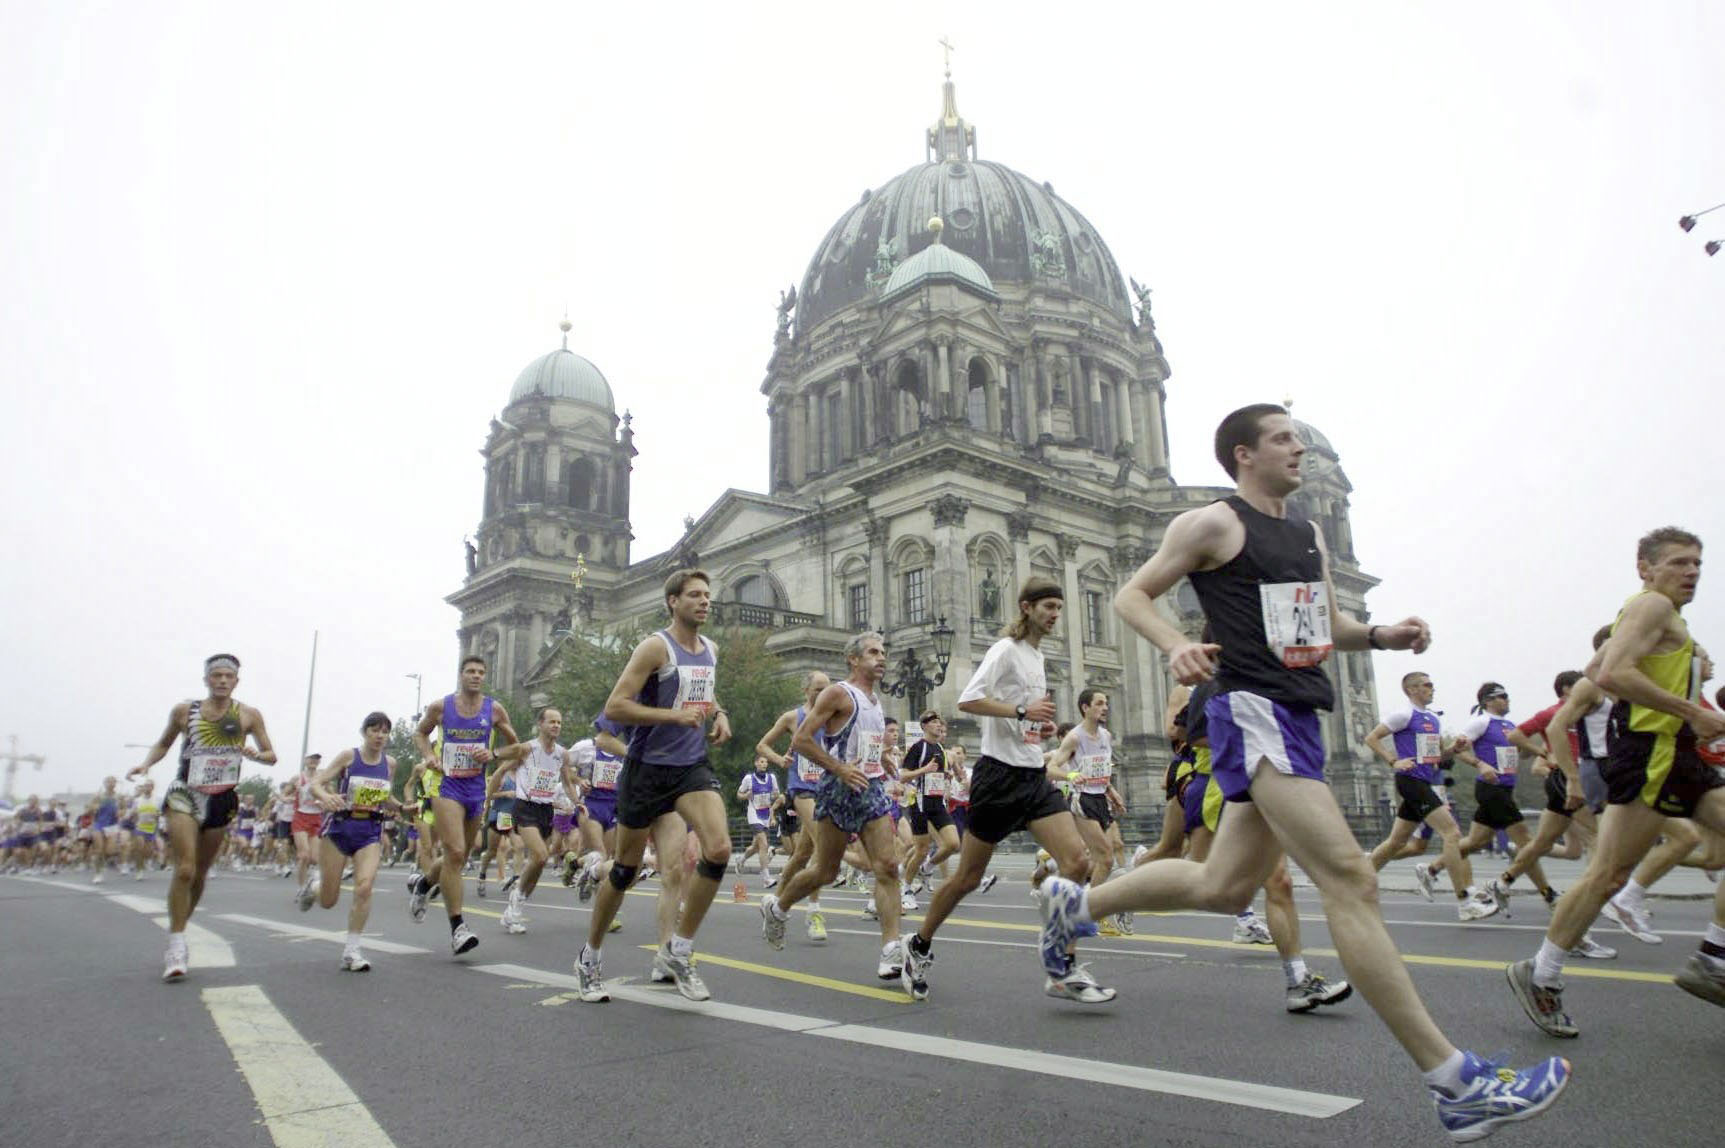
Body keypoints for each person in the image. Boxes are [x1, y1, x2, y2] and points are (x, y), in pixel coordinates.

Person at [1040, 404, 1568, 1139]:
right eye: (1284, 438)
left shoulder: (1305, 533)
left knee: (1222, 887)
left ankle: (1075, 908)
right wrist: (1175, 646)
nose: (1298, 448)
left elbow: (1319, 626)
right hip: (1251, 709)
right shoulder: (1212, 524)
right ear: (1243, 454)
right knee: (1349, 879)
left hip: (1295, 713)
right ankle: (1455, 1082)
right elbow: (1133, 593)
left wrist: (1380, 634)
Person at [1508, 527, 1725, 1035]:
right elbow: (1611, 676)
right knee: (1606, 875)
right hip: (1650, 754)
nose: (1691, 571)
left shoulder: (1665, 617)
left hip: (1677, 752)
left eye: (1696, 562)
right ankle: (1541, 974)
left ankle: (1714, 956)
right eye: (1678, 563)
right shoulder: (1651, 606)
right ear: (1646, 568)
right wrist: (1690, 708)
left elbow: (1595, 666)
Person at [899, 577, 1114, 1006]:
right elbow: (968, 700)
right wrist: (1021, 710)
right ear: (1026, 607)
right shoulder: (1005, 650)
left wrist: (1039, 726)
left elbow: (1025, 721)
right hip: (997, 778)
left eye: (1059, 607)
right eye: (1049, 607)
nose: (1055, 614)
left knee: (1076, 862)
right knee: (967, 878)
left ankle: (1062, 966)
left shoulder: (1037, 657)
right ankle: (918, 945)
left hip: (1033, 776)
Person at [574, 569, 733, 1003]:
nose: (704, 602)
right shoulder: (654, 647)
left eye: (707, 595)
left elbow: (705, 694)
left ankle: (678, 950)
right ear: (673, 602)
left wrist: (719, 714)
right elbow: (615, 706)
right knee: (624, 871)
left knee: (716, 851)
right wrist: (671, 717)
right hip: (646, 769)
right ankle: (590, 956)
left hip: (689, 767)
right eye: (694, 595)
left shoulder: (711, 650)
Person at [762, 633, 907, 984]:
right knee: (825, 872)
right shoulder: (838, 693)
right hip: (837, 789)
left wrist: (883, 758)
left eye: (883, 653)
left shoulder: (875, 700)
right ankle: (778, 908)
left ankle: (890, 950)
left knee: (887, 866)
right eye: (873, 652)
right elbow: (801, 740)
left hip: (870, 788)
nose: (881, 658)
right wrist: (839, 768)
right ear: (854, 660)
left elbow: (865, 742)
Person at [127, 653, 278, 981]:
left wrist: (256, 755)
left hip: (222, 797)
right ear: (207, 680)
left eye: (229, 676)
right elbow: (164, 744)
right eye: (217, 675)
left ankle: (181, 924)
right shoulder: (184, 712)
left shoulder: (249, 715)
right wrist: (145, 765)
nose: (222, 681)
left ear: (237, 681)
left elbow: (272, 755)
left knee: (200, 873)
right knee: (184, 868)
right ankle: (177, 942)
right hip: (186, 792)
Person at [1364, 672, 1498, 921]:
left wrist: (1453, 750)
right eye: (1427, 685)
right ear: (1412, 689)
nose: (1432, 688)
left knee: (1396, 842)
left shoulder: (1433, 719)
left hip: (1424, 781)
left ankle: (1356, 880)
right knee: (1452, 833)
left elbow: (1437, 758)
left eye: (1431, 685)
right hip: (1411, 781)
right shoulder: (1404, 715)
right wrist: (1393, 760)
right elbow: (1371, 738)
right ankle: (1465, 901)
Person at [414, 655, 520, 957]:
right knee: (456, 851)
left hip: (476, 787)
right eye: (470, 671)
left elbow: (517, 746)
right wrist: (429, 756)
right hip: (447, 785)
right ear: (461, 675)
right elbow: (420, 732)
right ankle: (458, 928)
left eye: (481, 672)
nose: (475, 676)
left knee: (458, 857)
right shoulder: (441, 706)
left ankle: (424, 885)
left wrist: (495, 754)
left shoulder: (495, 709)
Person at [301, 712, 398, 970]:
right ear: (364, 732)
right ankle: (315, 887)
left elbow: (387, 797)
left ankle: (352, 950)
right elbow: (316, 783)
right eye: (374, 730)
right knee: (328, 901)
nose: (379, 736)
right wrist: (326, 796)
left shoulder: (390, 764)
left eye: (384, 731)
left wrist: (403, 808)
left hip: (370, 830)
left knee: (364, 887)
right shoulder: (349, 757)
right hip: (341, 828)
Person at [485, 707, 580, 935]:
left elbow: (567, 783)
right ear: (541, 724)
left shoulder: (562, 754)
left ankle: (517, 900)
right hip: (525, 807)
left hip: (545, 809)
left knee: (538, 863)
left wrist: (578, 802)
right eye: (551, 722)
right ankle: (515, 907)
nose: (556, 725)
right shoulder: (528, 749)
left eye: (559, 722)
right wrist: (487, 800)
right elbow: (502, 770)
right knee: (540, 855)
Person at [756, 671, 832, 939]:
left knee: (802, 855)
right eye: (818, 689)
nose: (823, 694)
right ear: (806, 691)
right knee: (823, 848)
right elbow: (762, 746)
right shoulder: (792, 717)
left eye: (827, 689)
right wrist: (779, 760)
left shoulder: (833, 717)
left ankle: (774, 903)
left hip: (827, 789)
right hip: (802, 790)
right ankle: (814, 913)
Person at [735, 758, 781, 881]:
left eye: (766, 762)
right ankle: (766, 878)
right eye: (761, 762)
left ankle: (741, 859)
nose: (764, 764)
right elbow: (739, 795)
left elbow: (776, 795)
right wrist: (746, 795)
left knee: (756, 846)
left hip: (765, 814)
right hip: (754, 813)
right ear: (755, 763)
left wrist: (775, 796)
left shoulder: (772, 778)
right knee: (764, 844)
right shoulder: (749, 779)